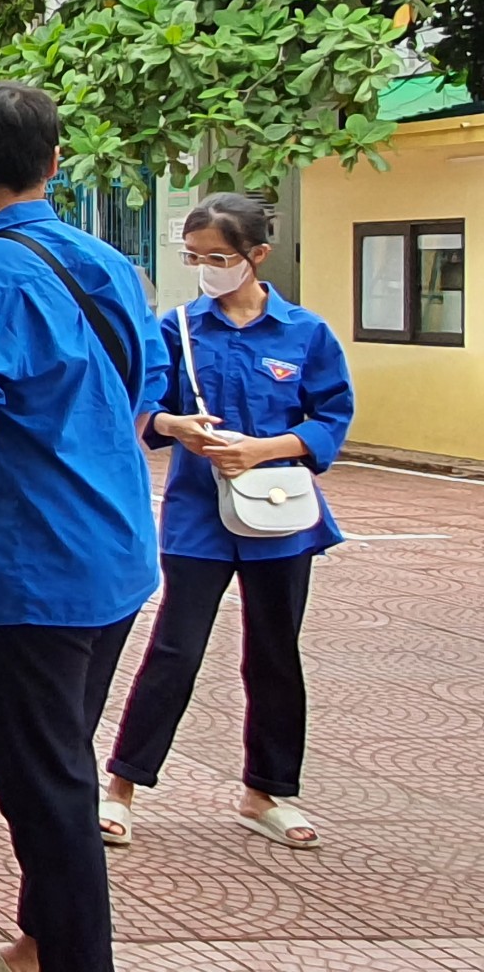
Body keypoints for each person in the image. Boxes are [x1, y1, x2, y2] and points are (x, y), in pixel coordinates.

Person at [0, 82, 169, 972]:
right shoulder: (108, 264)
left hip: (30, 568)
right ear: (57, 163)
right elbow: (143, 395)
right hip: (117, 552)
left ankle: (73, 956)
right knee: (59, 755)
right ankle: (37, 940)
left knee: (44, 782)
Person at [101, 193, 353, 852]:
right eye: (196, 258)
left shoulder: (305, 333)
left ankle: (267, 791)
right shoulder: (177, 329)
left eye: (219, 257)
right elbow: (142, 405)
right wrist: (169, 425)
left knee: (274, 654)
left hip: (281, 518)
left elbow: (330, 417)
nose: (207, 269)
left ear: (256, 256)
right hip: (199, 518)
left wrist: (264, 449)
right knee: (175, 650)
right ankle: (122, 788)